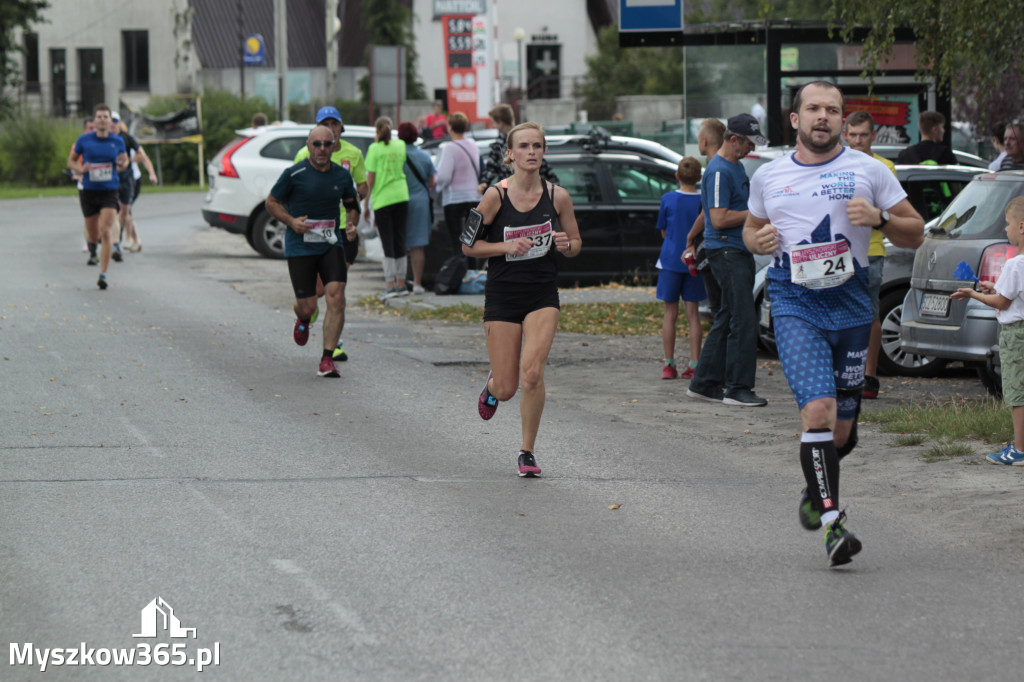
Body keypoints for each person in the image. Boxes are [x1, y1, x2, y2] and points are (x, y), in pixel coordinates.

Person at [744, 81, 924, 567]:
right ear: (795, 120)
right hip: (793, 298)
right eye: (813, 109)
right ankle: (832, 526)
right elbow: (749, 226)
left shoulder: (870, 171)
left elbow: (917, 230)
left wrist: (882, 219)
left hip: (850, 303)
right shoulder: (770, 176)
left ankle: (814, 489)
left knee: (842, 433)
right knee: (818, 412)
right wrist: (755, 240)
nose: (822, 117)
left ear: (843, 121)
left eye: (832, 110)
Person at [462, 122, 583, 477]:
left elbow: (576, 243)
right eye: (525, 146)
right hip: (502, 295)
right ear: (511, 154)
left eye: (538, 146)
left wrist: (567, 245)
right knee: (509, 387)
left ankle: (527, 451)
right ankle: (493, 386)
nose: (532, 152)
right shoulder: (494, 197)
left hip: (541, 294)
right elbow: (467, 246)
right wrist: (505, 246)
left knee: (532, 373)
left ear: (543, 152)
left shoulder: (557, 196)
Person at [686, 113, 768, 408]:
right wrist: (758, 213)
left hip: (734, 251)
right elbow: (718, 219)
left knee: (728, 316)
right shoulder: (720, 171)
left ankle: (705, 382)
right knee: (744, 319)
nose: (750, 149)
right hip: (727, 251)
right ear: (733, 140)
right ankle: (737, 388)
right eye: (748, 143)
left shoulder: (733, 167)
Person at [265, 124, 360, 378]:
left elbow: (353, 205)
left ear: (333, 146)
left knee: (336, 295)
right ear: (308, 146)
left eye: (326, 144)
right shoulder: (293, 174)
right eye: (316, 144)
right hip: (300, 246)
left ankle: (327, 359)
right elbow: (271, 202)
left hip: (331, 243)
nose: (321, 149)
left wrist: (352, 224)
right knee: (307, 306)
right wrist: (291, 222)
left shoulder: (341, 176)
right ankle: (303, 319)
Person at [952, 197, 1024, 464]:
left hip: (1016, 335)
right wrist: (995, 289)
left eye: (1007, 224)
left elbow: (1003, 302)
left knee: (1017, 392)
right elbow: (1012, 294)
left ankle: (1019, 450)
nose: (1005, 230)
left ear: (1021, 226)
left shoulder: (1016, 263)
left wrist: (975, 294)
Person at [294, 106, 369, 361]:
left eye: (334, 123)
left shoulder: (353, 153)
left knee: (336, 290)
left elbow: (363, 185)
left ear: (340, 127)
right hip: (315, 227)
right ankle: (305, 315)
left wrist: (353, 201)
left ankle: (333, 345)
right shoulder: (305, 153)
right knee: (317, 290)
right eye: (325, 123)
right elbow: (292, 186)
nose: (331, 128)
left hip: (342, 229)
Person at [844, 111, 899, 400]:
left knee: (869, 314)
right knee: (839, 311)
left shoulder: (884, 167)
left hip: (872, 250)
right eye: (852, 135)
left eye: (863, 135)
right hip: (838, 251)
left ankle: (869, 375)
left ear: (873, 136)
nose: (857, 141)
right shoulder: (836, 164)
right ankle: (843, 371)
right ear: (845, 135)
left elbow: (893, 210)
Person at [68, 103, 129, 290]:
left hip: (109, 191)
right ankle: (92, 245)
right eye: (99, 117)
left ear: (111, 121)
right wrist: (81, 168)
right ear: (95, 121)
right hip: (89, 191)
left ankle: (103, 274)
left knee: (106, 231)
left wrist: (122, 163)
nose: (102, 120)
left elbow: (124, 160)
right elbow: (70, 161)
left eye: (105, 117)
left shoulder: (117, 141)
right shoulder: (84, 140)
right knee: (93, 233)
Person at [656, 156, 706, 380]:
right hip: (693, 262)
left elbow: (663, 231)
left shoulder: (667, 199)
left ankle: (669, 364)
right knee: (693, 314)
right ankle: (695, 363)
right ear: (699, 178)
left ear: (677, 176)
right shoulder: (703, 201)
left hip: (670, 261)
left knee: (670, 313)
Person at [363, 116, 410, 298]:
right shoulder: (400, 146)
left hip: (383, 199)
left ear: (377, 131)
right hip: (401, 196)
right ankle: (402, 283)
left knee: (387, 242)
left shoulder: (374, 149)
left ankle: (390, 284)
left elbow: (371, 179)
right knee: (400, 239)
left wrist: (366, 203)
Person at [685, 118, 727, 316]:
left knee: (718, 308)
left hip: (714, 247)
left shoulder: (714, 168)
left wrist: (691, 235)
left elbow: (707, 212)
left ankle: (715, 348)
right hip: (723, 246)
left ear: (704, 141)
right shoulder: (723, 165)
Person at [478, 103, 558, 193]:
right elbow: (546, 171)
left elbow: (491, 168)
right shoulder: (526, 136)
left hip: (513, 192)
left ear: (500, 123)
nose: (531, 151)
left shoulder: (500, 145)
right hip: (520, 193)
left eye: (493, 122)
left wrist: (484, 183)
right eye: (523, 146)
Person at [397, 120, 437, 294]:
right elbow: (431, 182)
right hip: (420, 202)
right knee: (418, 246)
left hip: (399, 200)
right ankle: (418, 283)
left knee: (398, 243)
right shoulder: (424, 156)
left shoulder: (396, 155)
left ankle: (399, 282)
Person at [436, 112, 482, 257]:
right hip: (474, 197)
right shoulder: (473, 144)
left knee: (457, 243)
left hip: (454, 199)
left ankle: (459, 273)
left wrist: (438, 184)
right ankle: (471, 273)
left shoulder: (450, 148)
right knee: (472, 242)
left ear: (450, 128)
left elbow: (444, 175)